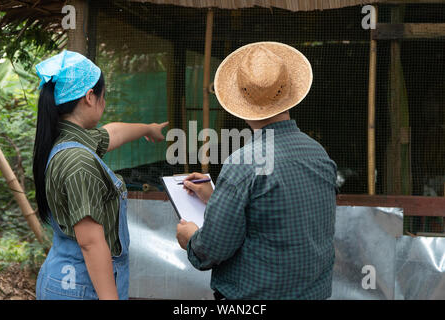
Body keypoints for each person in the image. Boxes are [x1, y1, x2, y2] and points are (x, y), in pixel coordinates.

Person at [176, 42, 337, 300]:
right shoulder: (318, 153)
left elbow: (213, 249)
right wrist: (216, 197)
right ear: (289, 93)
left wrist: (191, 238)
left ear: (240, 103)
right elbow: (277, 212)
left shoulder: (243, 163)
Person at [33, 50, 168, 300]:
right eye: (103, 96)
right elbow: (91, 243)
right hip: (80, 287)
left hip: (65, 279)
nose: (104, 104)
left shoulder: (66, 140)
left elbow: (113, 133)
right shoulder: (78, 161)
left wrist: (148, 129)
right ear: (89, 97)